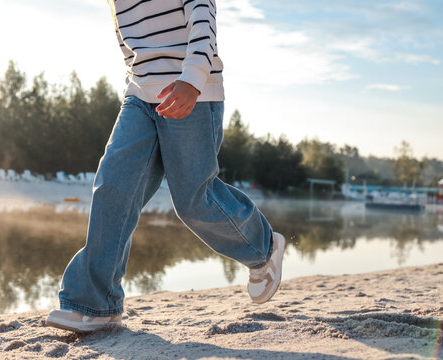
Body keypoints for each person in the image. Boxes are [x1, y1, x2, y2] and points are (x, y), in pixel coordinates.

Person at [46, 0, 285, 333]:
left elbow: (203, 14)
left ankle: (265, 247)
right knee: (113, 187)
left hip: (191, 92)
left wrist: (193, 78)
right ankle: (95, 303)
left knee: (193, 199)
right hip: (139, 94)